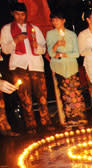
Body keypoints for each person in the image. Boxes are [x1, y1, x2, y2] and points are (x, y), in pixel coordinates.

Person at [1, 3, 51, 133]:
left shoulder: (34, 28)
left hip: (36, 65)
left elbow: (43, 48)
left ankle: (46, 122)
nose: (20, 17)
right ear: (13, 13)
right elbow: (5, 50)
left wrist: (37, 46)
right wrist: (16, 40)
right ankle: (31, 126)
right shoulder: (6, 29)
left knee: (42, 96)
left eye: (22, 14)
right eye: (17, 14)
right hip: (18, 65)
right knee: (25, 98)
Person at [47, 10, 87, 129]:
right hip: (59, 68)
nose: (55, 22)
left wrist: (64, 54)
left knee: (76, 94)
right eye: (53, 20)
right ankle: (69, 121)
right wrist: (56, 45)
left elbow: (76, 53)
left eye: (57, 20)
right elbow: (50, 52)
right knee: (65, 95)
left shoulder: (71, 35)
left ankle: (80, 120)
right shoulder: (50, 34)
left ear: (63, 20)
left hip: (71, 67)